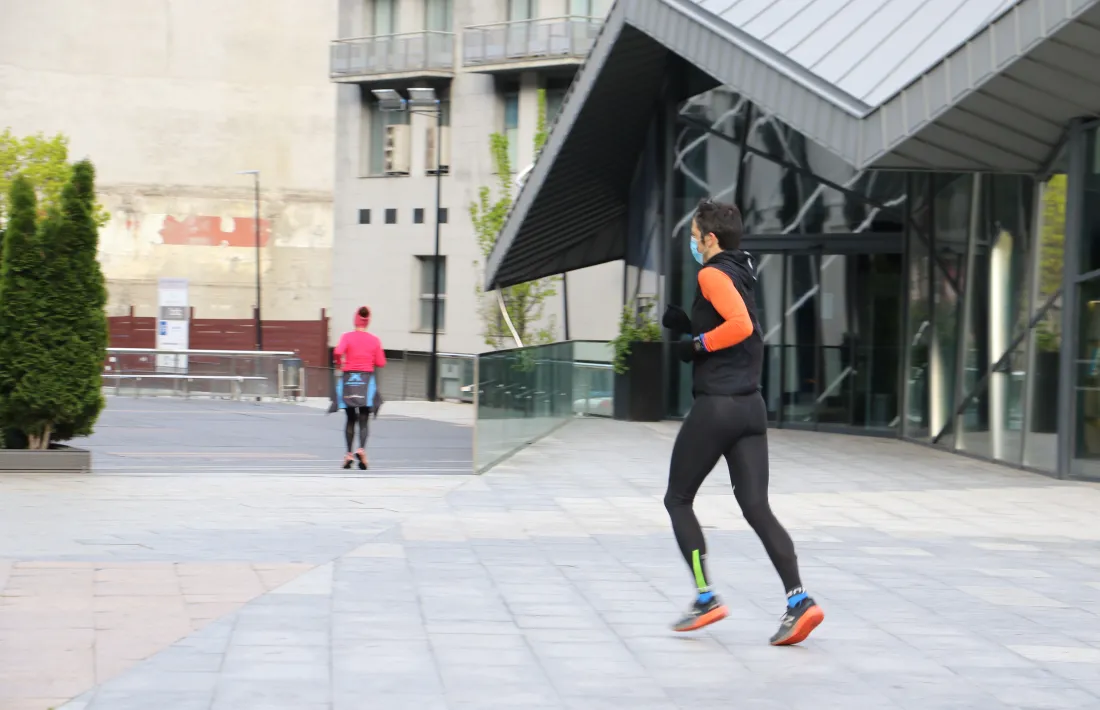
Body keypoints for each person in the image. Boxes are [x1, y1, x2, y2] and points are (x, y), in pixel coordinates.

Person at [661, 199, 823, 646]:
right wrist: (688, 327)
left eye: (695, 238)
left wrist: (696, 345)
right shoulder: (742, 271)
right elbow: (740, 324)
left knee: (677, 499)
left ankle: (705, 596)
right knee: (756, 507)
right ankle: (798, 600)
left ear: (711, 239)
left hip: (718, 406)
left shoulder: (711, 273)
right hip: (751, 407)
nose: (693, 244)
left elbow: (739, 327)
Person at [333, 306, 386, 470]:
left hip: (349, 379)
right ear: (367, 321)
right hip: (366, 380)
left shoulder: (346, 336)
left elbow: (337, 351)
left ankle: (348, 454)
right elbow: (381, 362)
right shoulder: (374, 339)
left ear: (355, 319)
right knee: (364, 418)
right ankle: (361, 450)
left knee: (350, 418)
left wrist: (340, 363)